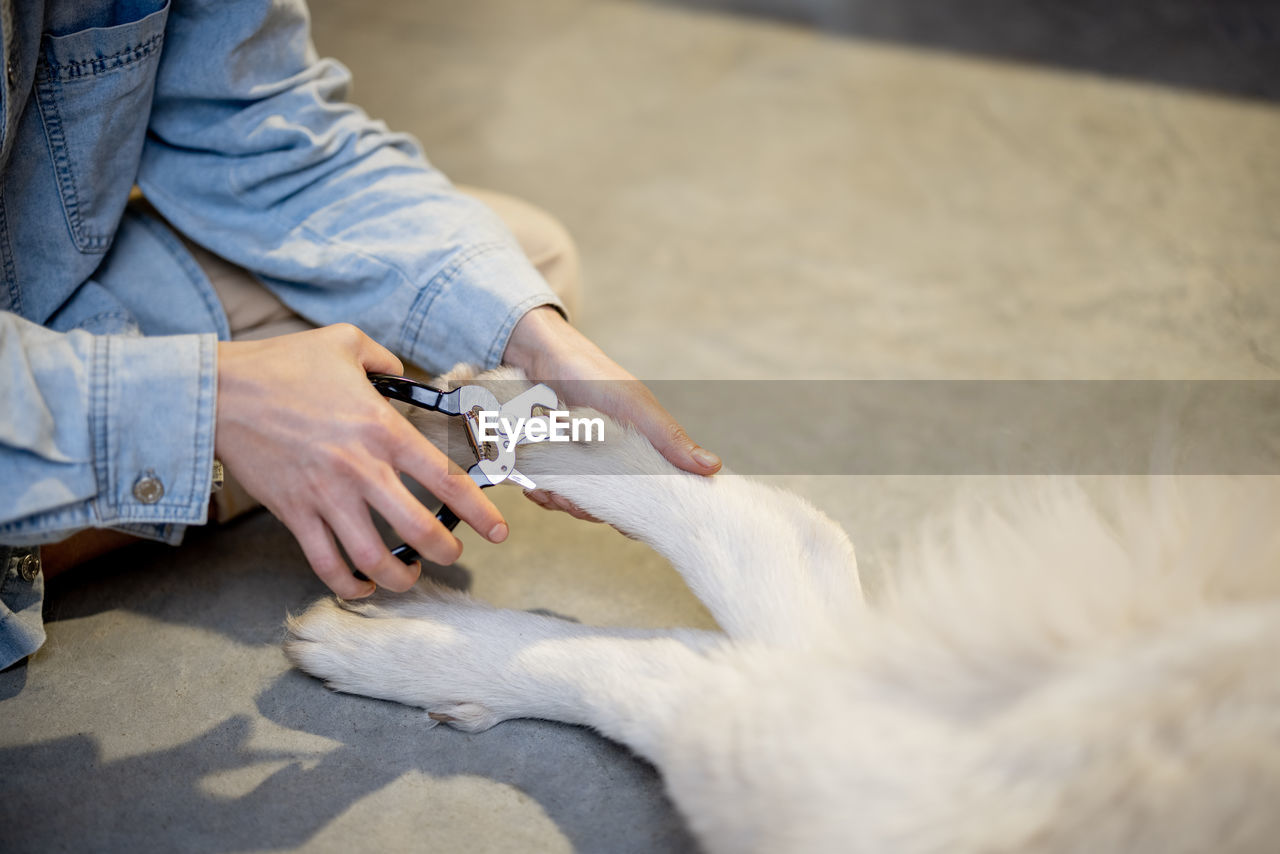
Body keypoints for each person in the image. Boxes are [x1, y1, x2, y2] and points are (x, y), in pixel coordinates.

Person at [0, 0, 720, 670]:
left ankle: (67, 491)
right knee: (442, 381)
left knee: (522, 278)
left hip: (36, 287)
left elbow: (267, 135)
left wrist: (541, 340)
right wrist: (212, 399)